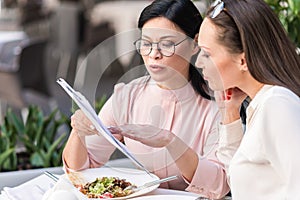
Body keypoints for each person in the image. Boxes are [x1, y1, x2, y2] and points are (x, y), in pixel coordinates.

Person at [63, 0, 230, 199]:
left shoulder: (218, 103)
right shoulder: (127, 96)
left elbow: (219, 185)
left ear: (194, 44)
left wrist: (170, 141)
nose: (153, 54)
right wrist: (78, 133)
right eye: (146, 44)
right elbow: (82, 170)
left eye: (167, 44)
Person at [196, 0, 300, 199]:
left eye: (207, 54)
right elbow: (237, 179)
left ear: (243, 60)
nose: (199, 62)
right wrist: (230, 112)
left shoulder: (277, 105)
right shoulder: (261, 104)